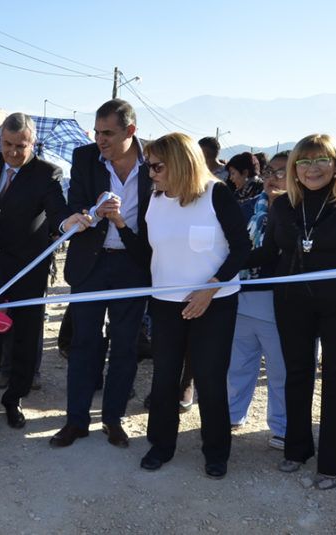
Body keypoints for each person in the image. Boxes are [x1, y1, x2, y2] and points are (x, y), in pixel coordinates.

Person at [246, 134, 336, 490]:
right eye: (304, 162)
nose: (312, 169)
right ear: (294, 168)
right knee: (296, 374)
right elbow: (270, 252)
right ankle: (296, 449)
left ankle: (334, 464)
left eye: (321, 160)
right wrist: (222, 266)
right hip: (293, 302)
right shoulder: (284, 206)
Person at [140, 133, 251, 479]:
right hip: (165, 303)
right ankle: (161, 445)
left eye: (157, 166)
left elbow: (242, 249)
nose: (152, 174)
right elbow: (148, 251)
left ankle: (216, 452)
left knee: (210, 378)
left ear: (180, 162)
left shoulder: (216, 194)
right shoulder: (155, 198)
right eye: (149, 167)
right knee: (164, 378)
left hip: (213, 304)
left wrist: (212, 289)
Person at [0, 112, 83, 429]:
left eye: (21, 146)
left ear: (32, 143)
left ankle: (13, 399)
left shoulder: (47, 173)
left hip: (28, 271)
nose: (13, 152)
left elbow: (57, 212)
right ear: (0, 139)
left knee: (25, 337)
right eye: (8, 144)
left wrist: (67, 223)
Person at [51, 99, 151, 449]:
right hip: (90, 264)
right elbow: (70, 204)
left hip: (133, 265)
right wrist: (76, 218)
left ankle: (113, 419)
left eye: (108, 133)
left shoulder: (154, 160)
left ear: (131, 132)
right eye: (96, 132)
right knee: (84, 344)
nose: (100, 140)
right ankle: (76, 421)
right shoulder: (84, 158)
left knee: (126, 345)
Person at [228, 151, 289, 450]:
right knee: (238, 363)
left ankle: (282, 426)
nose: (273, 179)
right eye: (269, 172)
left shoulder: (301, 213)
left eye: (281, 173)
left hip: (281, 302)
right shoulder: (247, 208)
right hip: (241, 294)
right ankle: (231, 413)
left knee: (280, 369)